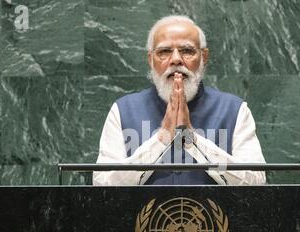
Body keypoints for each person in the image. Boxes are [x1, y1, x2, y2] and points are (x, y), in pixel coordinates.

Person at [93, 15, 266, 186]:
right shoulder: (123, 110)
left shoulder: (234, 110)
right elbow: (103, 184)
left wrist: (191, 139)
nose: (176, 59)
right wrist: (161, 139)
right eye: (164, 52)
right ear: (150, 60)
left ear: (203, 57)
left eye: (187, 51)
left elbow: (256, 182)